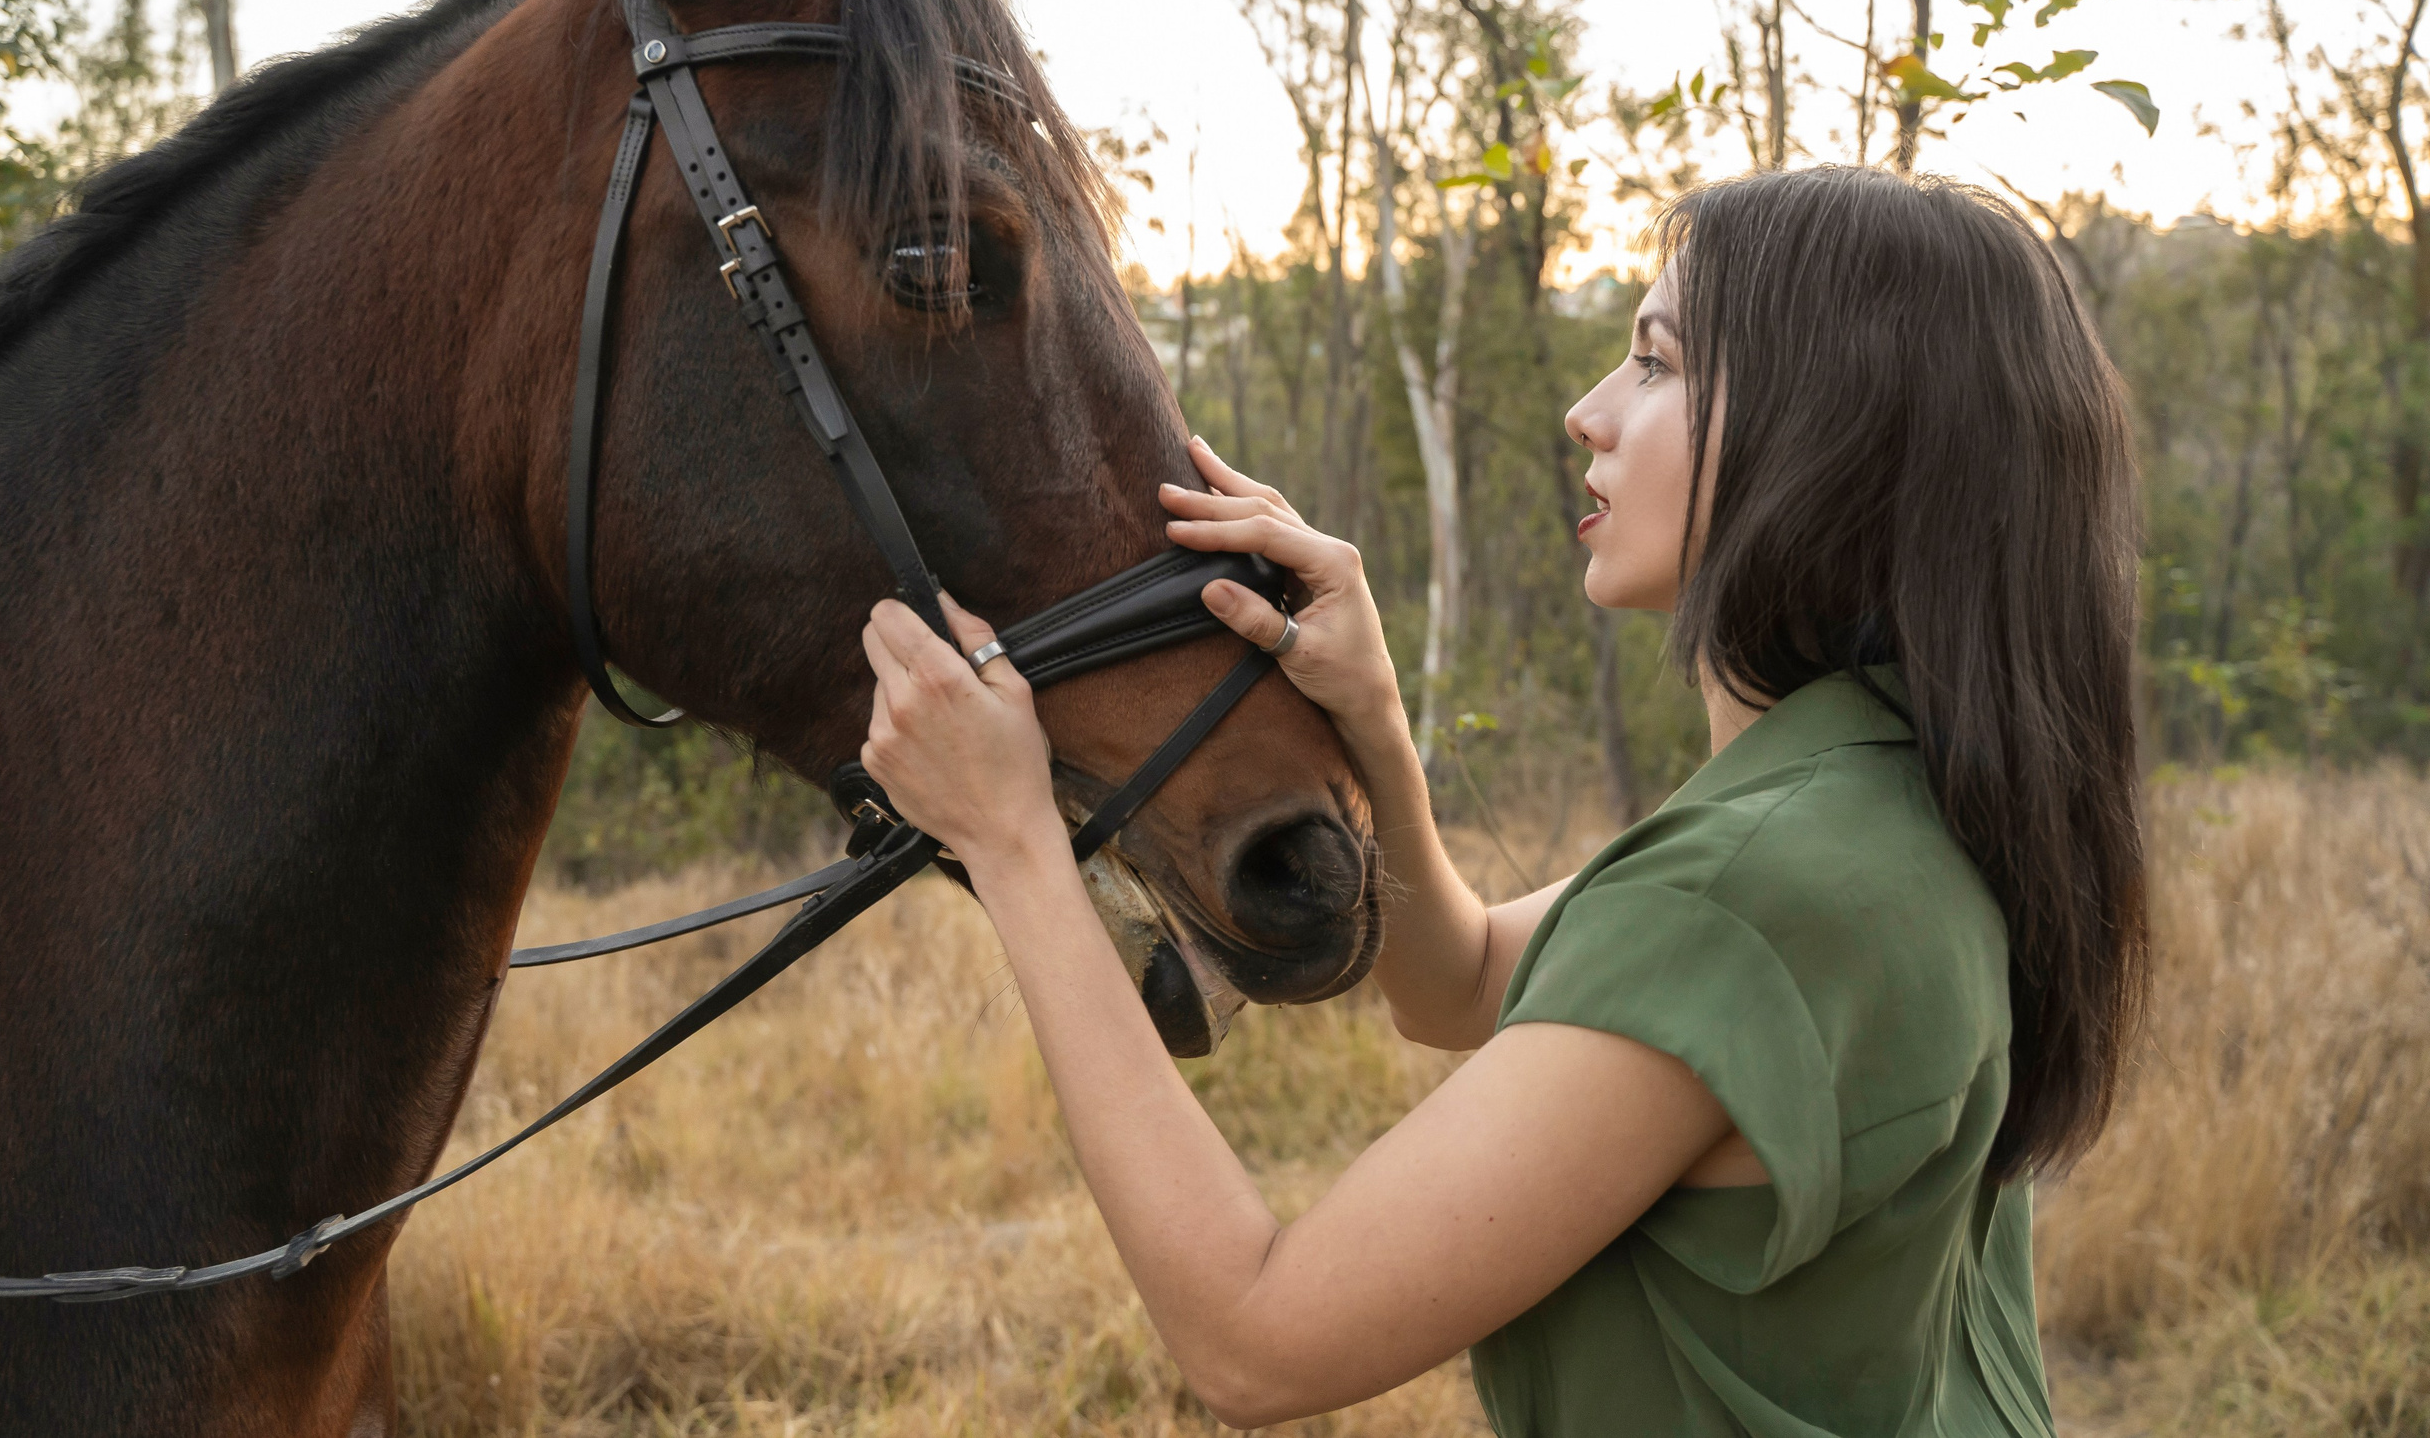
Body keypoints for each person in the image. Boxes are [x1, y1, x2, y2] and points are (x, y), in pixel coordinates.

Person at [855, 165, 2148, 1436]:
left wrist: (1012, 840)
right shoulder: (1883, 801)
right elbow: (1460, 983)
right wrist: (1371, 715)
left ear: (1830, 435)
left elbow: (1254, 1341)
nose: (1589, 413)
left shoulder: (1751, 890)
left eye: (1656, 363)